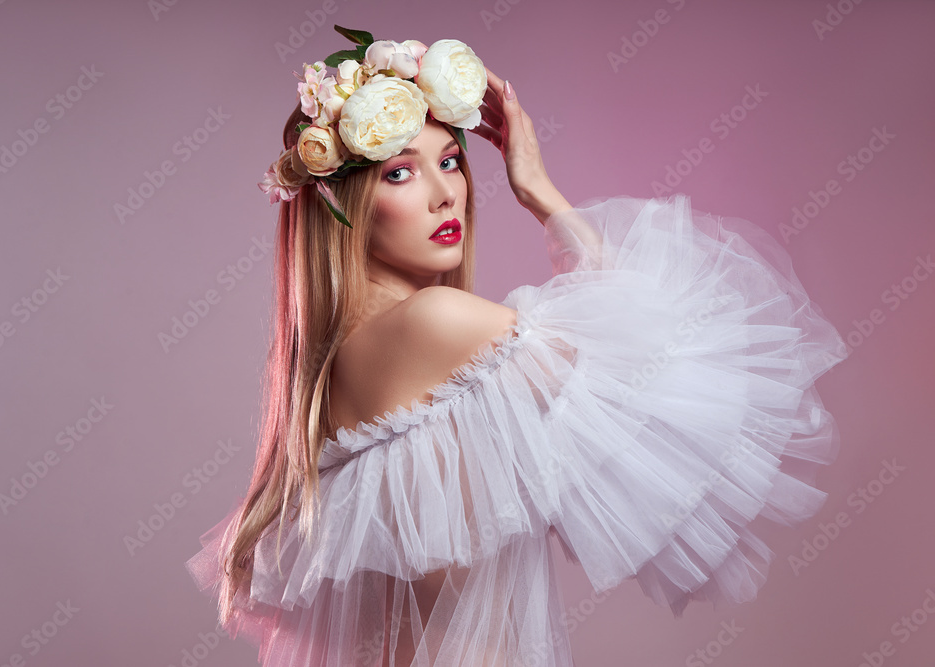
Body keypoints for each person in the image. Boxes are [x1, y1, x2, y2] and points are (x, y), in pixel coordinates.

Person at [186, 25, 848, 666]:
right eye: (401, 173)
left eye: (450, 162)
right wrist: (536, 188)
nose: (446, 194)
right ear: (343, 201)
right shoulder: (434, 322)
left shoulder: (337, 372)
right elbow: (651, 362)